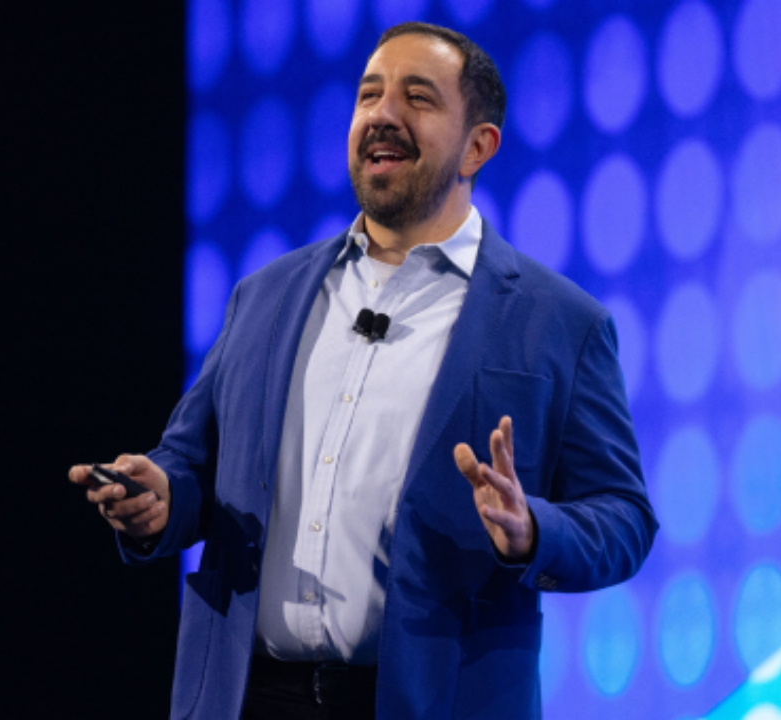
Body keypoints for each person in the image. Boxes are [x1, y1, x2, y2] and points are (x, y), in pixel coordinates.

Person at [70, 21, 657, 720]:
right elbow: (193, 463)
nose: (383, 114)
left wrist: (532, 528)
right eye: (369, 95)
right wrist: (160, 498)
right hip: (246, 698)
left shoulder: (559, 321)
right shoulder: (266, 295)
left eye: (418, 98)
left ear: (478, 146)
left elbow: (624, 518)